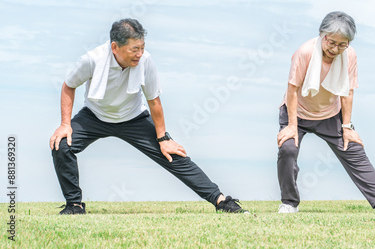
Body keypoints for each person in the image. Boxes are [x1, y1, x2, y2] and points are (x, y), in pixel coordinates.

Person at [50, 18, 246, 215]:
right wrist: (65, 124)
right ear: (115, 47)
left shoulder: (145, 61)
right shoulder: (92, 60)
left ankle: (220, 200)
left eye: (142, 47)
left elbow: (154, 101)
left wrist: (163, 138)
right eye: (134, 49)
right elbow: (69, 85)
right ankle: (74, 205)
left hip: (133, 118)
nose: (140, 54)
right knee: (62, 144)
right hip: (94, 116)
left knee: (171, 153)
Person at [276, 11, 375, 213]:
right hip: (297, 112)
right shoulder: (305, 52)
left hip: (329, 113)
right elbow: (292, 89)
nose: (336, 49)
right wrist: (291, 126)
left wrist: (347, 126)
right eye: (332, 42)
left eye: (343, 44)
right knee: (288, 149)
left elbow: (348, 92)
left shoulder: (349, 56)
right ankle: (289, 203)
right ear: (322, 35)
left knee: (353, 148)